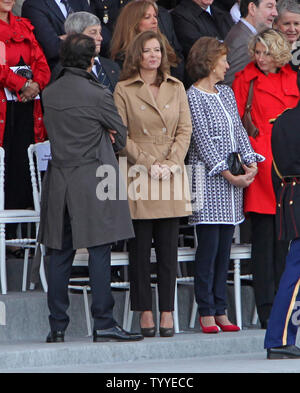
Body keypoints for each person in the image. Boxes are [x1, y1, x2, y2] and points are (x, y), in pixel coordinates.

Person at [39, 33, 143, 343]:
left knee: (58, 253)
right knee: (100, 250)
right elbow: (121, 138)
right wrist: (107, 134)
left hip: (59, 179)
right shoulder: (97, 94)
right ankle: (104, 323)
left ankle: (57, 326)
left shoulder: (50, 93)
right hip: (94, 178)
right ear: (91, 61)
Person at [114, 30, 192, 337]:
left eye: (157, 50)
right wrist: (149, 163)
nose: (153, 55)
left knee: (169, 250)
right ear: (138, 55)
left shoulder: (176, 87)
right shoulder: (123, 89)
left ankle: (167, 311)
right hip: (138, 173)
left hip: (171, 173)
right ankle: (144, 311)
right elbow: (121, 136)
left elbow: (185, 130)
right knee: (141, 251)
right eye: (147, 51)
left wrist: (172, 163)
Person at [186, 36, 262, 334]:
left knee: (224, 251)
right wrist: (229, 174)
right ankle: (206, 309)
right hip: (208, 182)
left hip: (232, 185)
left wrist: (250, 161)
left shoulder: (227, 92)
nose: (227, 65)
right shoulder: (193, 95)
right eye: (223, 60)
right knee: (208, 248)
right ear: (209, 62)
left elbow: (240, 133)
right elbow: (202, 140)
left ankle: (221, 308)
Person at [233, 28, 300, 329]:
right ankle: (267, 309)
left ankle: (286, 308)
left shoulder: (292, 78)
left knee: (286, 242)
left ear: (279, 54)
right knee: (264, 241)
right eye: (257, 52)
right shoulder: (244, 79)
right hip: (260, 163)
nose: (260, 58)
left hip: (290, 166)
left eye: (266, 52)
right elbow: (237, 125)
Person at [0, 0, 50, 241]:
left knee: (21, 171)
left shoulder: (23, 26)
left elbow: (41, 63)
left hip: (26, 110)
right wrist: (23, 85)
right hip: (3, 111)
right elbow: (0, 69)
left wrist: (36, 85)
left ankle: (11, 238)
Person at [264, 70, 300, 359]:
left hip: (290, 197)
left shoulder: (283, 119)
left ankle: (281, 336)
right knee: (296, 272)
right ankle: (279, 338)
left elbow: (278, 167)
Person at [21, 0, 111, 70]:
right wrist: (86, 36)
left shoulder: (78, 1)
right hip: (62, 70)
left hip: (92, 63)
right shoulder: (34, 5)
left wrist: (70, 37)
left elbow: (103, 34)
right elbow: (51, 47)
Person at [110, 0, 184, 81]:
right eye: (147, 17)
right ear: (133, 22)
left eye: (155, 16)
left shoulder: (165, 45)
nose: (155, 21)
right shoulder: (122, 58)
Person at [224, 0, 278, 86]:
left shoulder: (245, 34)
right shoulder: (243, 40)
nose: (275, 13)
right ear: (252, 8)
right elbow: (231, 85)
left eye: (275, 7)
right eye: (269, 6)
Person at [64, 11, 120, 91]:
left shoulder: (112, 65)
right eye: (93, 33)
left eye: (100, 32)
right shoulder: (66, 71)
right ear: (75, 36)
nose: (100, 38)